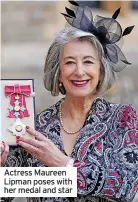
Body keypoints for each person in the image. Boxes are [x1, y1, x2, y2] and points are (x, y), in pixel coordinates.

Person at [1, 1, 138, 202]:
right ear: (58, 72)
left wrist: (62, 164)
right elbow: (7, 190)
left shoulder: (123, 119)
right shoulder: (33, 128)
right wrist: (2, 165)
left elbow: (125, 185)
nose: (79, 71)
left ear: (101, 71)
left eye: (88, 62)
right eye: (70, 62)